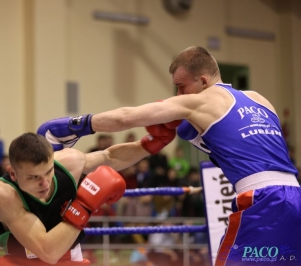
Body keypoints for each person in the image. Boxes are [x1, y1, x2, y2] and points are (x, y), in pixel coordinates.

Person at [40, 46, 301, 265]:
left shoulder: (199, 101)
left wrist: (80, 124)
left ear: (202, 81)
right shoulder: (259, 99)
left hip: (263, 201)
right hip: (295, 196)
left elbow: (126, 117)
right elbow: (252, 146)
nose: (178, 95)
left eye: (180, 86)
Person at [0, 124, 178, 265]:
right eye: (33, 177)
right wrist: (84, 205)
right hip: (22, 261)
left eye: (48, 171)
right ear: (13, 173)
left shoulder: (68, 162)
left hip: (71, 257)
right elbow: (48, 251)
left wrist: (150, 144)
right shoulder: (5, 194)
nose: (45, 183)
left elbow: (111, 157)